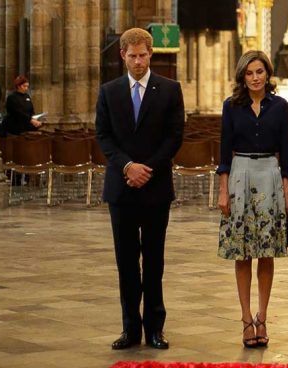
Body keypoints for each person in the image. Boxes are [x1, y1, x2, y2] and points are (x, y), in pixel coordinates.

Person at [95, 27, 184, 350]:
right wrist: (127, 166)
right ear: (122, 56)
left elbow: (174, 136)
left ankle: (155, 329)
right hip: (121, 187)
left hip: (155, 185)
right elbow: (104, 135)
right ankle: (130, 329)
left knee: (154, 261)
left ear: (151, 54)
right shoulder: (109, 91)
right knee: (126, 261)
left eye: (142, 55)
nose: (137, 62)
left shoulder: (170, 89)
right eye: (131, 56)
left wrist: (148, 168)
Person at [217, 50, 288, 348]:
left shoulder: (280, 106)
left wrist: (287, 190)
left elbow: (286, 151)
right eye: (249, 73)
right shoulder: (232, 106)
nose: (255, 78)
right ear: (242, 76)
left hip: (270, 174)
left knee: (266, 250)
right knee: (242, 251)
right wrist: (223, 190)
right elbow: (224, 152)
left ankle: (263, 316)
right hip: (240, 173)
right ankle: (246, 318)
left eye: (259, 71)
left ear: (268, 73)